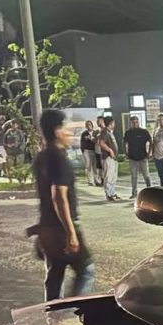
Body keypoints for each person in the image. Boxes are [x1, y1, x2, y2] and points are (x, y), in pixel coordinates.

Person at [32, 107, 95, 301]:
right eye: (66, 128)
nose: (70, 133)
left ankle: (53, 315)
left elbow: (44, 198)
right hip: (62, 229)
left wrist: (42, 233)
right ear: (57, 131)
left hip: (47, 228)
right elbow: (58, 197)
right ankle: (72, 310)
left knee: (54, 275)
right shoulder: (59, 159)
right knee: (86, 270)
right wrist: (70, 233)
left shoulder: (40, 158)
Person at [123, 115, 152, 199]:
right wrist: (126, 153)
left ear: (138, 122)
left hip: (143, 157)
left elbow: (150, 141)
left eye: (136, 122)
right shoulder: (128, 133)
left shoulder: (144, 132)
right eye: (133, 122)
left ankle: (150, 192)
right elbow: (124, 143)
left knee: (146, 175)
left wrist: (149, 153)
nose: (135, 123)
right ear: (131, 123)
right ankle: (134, 193)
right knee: (134, 176)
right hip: (132, 157)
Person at [97, 114, 121, 202]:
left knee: (113, 177)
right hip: (108, 158)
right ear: (110, 123)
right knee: (108, 176)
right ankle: (108, 194)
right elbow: (101, 143)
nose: (114, 124)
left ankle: (112, 193)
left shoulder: (110, 132)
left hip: (113, 158)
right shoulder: (104, 132)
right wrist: (110, 150)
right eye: (113, 122)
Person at [79, 119, 96, 184]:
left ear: (92, 125)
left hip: (94, 150)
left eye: (90, 124)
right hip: (87, 151)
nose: (89, 126)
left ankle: (96, 179)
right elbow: (82, 143)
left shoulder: (95, 132)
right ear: (86, 126)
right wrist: (83, 151)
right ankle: (90, 181)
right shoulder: (84, 134)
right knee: (88, 165)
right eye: (87, 125)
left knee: (95, 166)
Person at [92, 116, 106, 186]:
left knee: (104, 167)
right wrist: (94, 138)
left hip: (103, 152)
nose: (97, 122)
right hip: (97, 151)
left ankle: (105, 181)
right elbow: (95, 141)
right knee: (99, 167)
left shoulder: (106, 130)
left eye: (99, 121)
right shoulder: (98, 131)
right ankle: (101, 180)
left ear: (103, 121)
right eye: (97, 121)